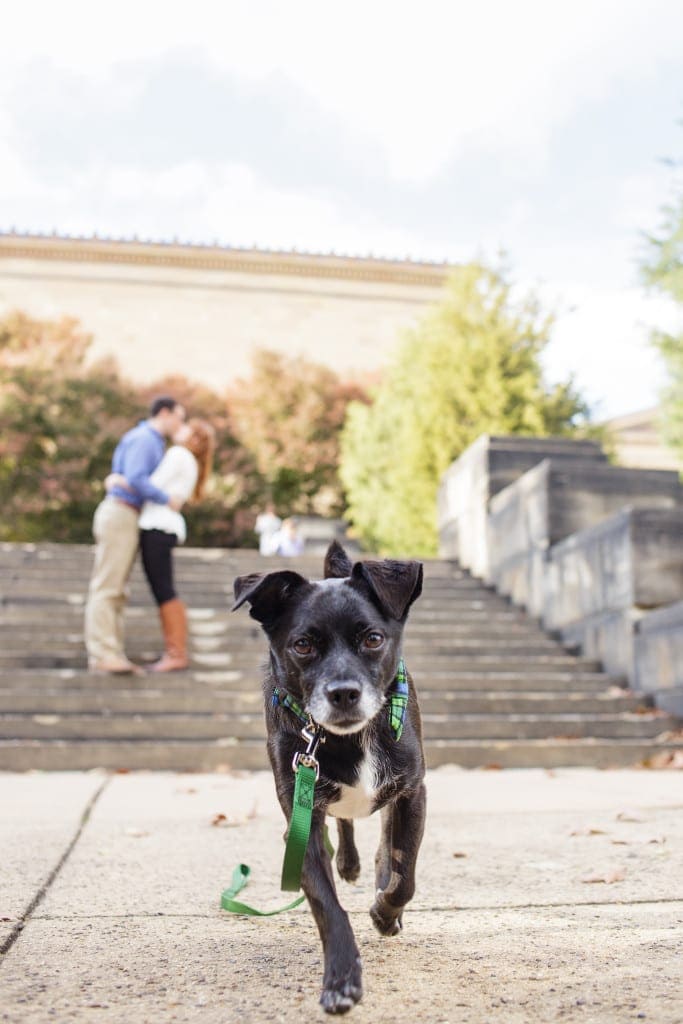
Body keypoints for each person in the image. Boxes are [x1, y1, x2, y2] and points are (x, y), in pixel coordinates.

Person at [84, 396, 186, 674]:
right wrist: (168, 498)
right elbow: (136, 478)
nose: (180, 423)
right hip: (121, 512)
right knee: (108, 586)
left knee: (116, 587)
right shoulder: (147, 439)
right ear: (164, 413)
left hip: (125, 513)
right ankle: (103, 653)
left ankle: (110, 652)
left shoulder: (144, 438)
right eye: (179, 416)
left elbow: (122, 475)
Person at [106, 418, 215, 672]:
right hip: (163, 526)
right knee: (162, 588)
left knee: (163, 589)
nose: (181, 427)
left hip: (158, 526)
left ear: (195, 438)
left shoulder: (178, 454)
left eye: (188, 426)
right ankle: (175, 651)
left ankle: (176, 653)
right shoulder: (188, 460)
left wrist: (118, 481)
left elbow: (148, 483)